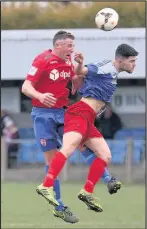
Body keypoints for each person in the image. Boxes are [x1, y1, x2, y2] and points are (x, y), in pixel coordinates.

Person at [22, 30, 120, 223]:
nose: (71, 49)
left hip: (63, 111)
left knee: (82, 143)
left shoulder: (68, 62)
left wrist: (77, 77)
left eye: (73, 46)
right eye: (68, 46)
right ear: (58, 45)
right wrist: (40, 96)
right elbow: (26, 86)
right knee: (52, 161)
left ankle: (108, 179)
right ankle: (59, 206)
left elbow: (74, 77)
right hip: (43, 115)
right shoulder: (42, 60)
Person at [36, 44, 138, 215]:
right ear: (120, 60)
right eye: (132, 61)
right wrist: (80, 63)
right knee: (68, 149)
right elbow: (81, 71)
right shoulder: (106, 67)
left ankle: (87, 191)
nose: (135, 64)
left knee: (105, 155)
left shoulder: (112, 70)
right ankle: (46, 185)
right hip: (79, 113)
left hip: (88, 118)